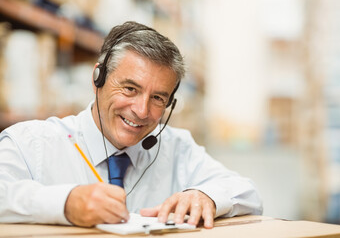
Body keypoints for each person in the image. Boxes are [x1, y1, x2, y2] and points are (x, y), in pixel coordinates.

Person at [0, 21, 262, 228]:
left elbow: (248, 194)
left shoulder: (176, 147)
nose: (141, 110)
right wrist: (65, 203)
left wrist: (207, 196)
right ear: (97, 79)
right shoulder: (31, 143)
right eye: (129, 88)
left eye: (158, 98)